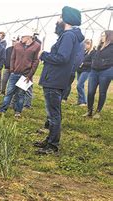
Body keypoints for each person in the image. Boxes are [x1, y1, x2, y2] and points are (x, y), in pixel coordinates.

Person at [35, 6, 84, 154]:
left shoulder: (68, 36)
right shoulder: (72, 36)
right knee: (54, 113)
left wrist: (44, 55)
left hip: (55, 79)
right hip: (57, 78)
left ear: (66, 20)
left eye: (60, 17)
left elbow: (62, 58)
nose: (58, 20)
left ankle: (52, 146)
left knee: (54, 114)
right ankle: (50, 140)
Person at [0, 30, 41, 118]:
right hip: (15, 73)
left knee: (21, 94)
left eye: (22, 37)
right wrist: (12, 69)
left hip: (25, 75)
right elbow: (12, 58)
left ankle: (18, 112)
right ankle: (2, 110)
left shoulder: (36, 46)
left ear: (28, 37)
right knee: (9, 92)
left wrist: (30, 75)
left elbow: (35, 61)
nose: (21, 39)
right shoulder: (17, 45)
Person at [84, 30, 113, 118]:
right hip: (94, 71)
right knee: (90, 92)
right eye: (101, 35)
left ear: (109, 36)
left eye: (104, 35)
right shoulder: (99, 46)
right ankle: (89, 111)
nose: (102, 37)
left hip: (106, 71)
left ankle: (98, 112)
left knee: (102, 92)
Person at [76, 39, 94, 106]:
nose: (86, 45)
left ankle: (84, 101)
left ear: (90, 44)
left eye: (88, 43)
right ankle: (80, 101)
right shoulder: (82, 51)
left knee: (79, 86)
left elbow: (92, 63)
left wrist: (83, 63)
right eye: (85, 43)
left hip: (86, 70)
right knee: (81, 86)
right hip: (79, 70)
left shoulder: (93, 52)